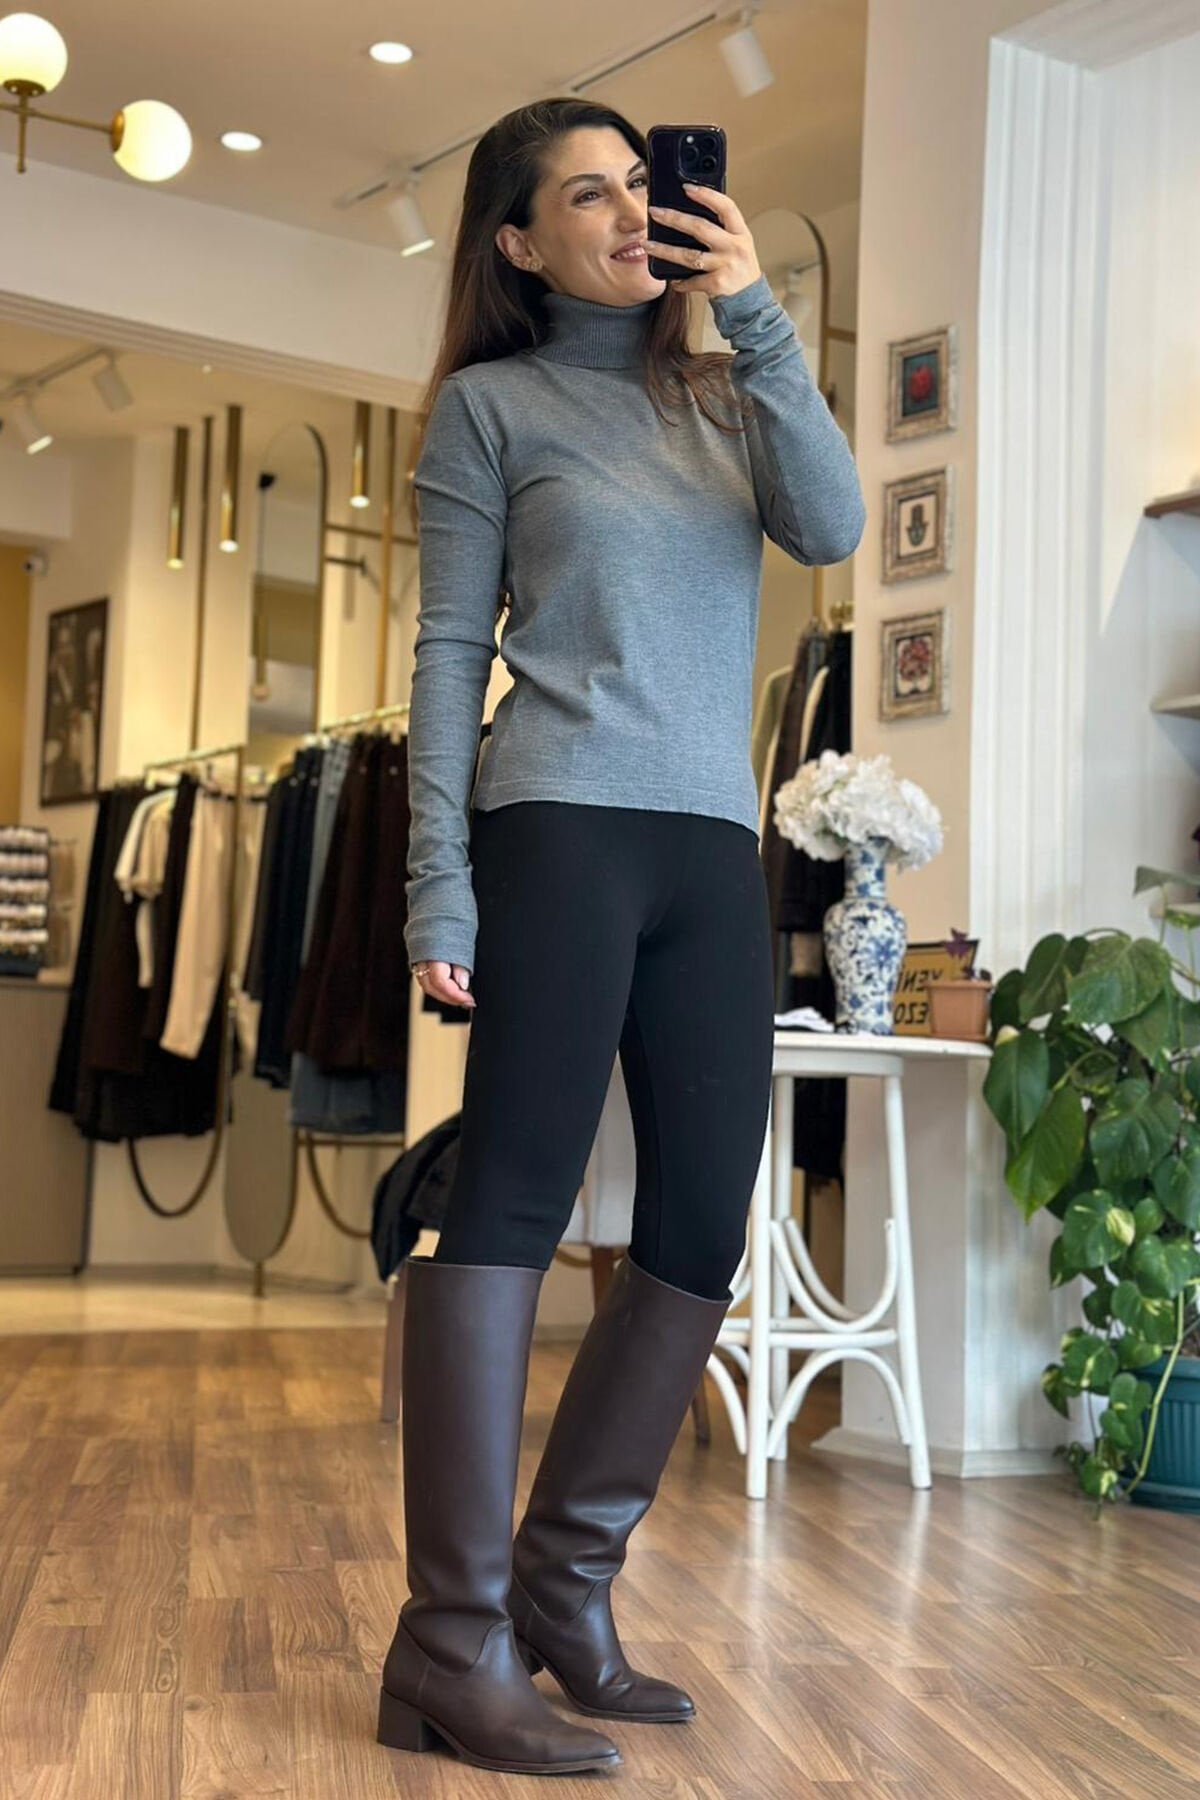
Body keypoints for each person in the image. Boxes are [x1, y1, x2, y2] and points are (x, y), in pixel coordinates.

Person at [378, 97, 865, 1777]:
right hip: (558, 829)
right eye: (589, 193)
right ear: (520, 242)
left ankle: (563, 1587)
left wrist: (757, 313)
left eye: (641, 184)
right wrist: (438, 885)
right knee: (512, 1200)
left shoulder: (729, 389)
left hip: (712, 847)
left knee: (704, 1220)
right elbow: (450, 657)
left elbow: (834, 528)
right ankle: (450, 1644)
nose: (630, 211)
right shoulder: (490, 410)